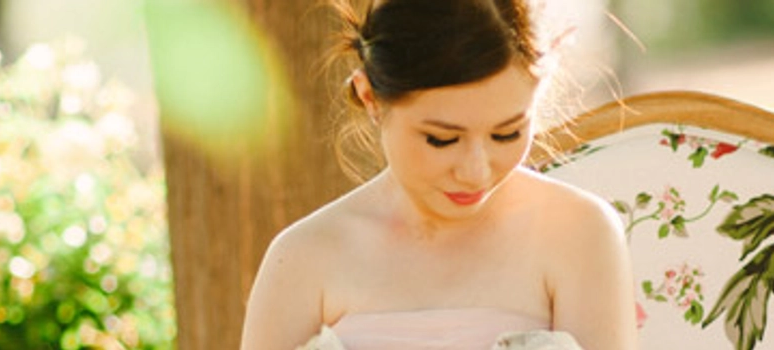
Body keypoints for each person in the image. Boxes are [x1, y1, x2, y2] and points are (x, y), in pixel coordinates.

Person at [241, 0, 639, 348]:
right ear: (370, 99)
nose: (475, 171)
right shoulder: (300, 260)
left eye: (507, 133)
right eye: (441, 140)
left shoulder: (578, 232)